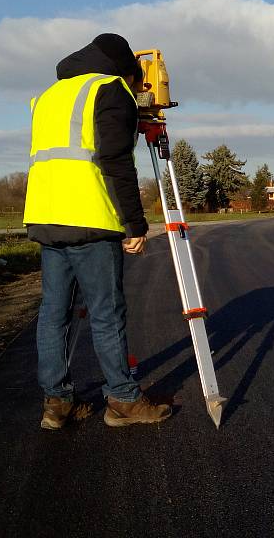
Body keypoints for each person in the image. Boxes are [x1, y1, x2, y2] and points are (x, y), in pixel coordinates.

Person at [23, 33, 171, 429]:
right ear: (127, 69)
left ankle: (57, 403)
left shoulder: (50, 95)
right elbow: (115, 161)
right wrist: (135, 224)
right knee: (106, 315)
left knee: (53, 314)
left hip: (45, 216)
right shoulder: (110, 89)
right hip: (90, 217)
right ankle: (122, 399)